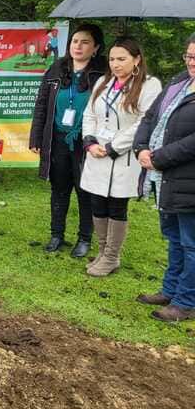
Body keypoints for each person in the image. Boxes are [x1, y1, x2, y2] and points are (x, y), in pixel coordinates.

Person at [79, 37, 161, 277]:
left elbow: (145, 122)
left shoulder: (149, 85)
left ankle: (112, 256)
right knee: (97, 203)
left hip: (122, 156)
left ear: (136, 59)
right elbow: (89, 115)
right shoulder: (103, 82)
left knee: (116, 206)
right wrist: (90, 142)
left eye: (122, 59)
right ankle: (103, 251)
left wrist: (113, 146)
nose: (115, 64)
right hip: (97, 153)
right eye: (112, 59)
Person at [29, 23, 106, 257]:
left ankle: (84, 238)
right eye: (75, 41)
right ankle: (57, 235)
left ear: (96, 48)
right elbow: (42, 105)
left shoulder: (103, 73)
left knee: (85, 191)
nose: (78, 46)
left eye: (85, 42)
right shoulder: (56, 69)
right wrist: (36, 136)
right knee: (59, 189)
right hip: (58, 139)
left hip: (87, 142)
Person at [134, 33, 195, 321]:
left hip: (187, 180)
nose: (192, 62)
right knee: (174, 238)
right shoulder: (178, 82)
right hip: (166, 179)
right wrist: (141, 148)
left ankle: (186, 302)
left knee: (191, 243)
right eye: (190, 56)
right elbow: (150, 117)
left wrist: (159, 157)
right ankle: (170, 290)